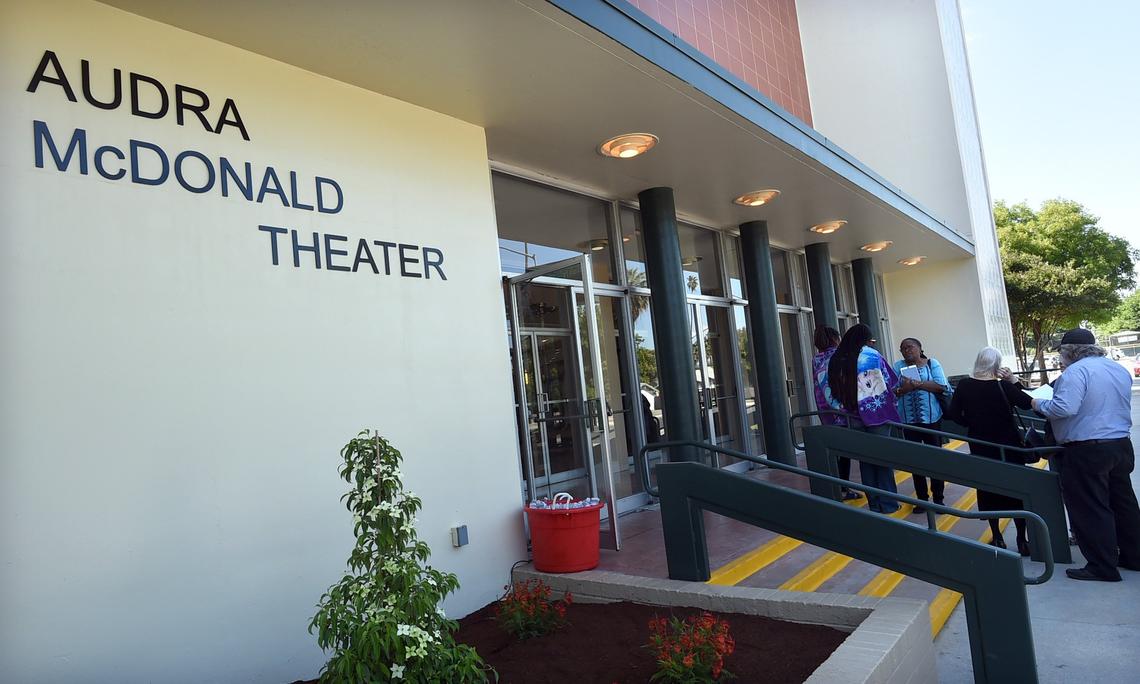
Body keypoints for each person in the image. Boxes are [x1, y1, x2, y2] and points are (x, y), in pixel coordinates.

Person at [1032, 328, 1140, 582]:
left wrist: (1039, 404)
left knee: (1091, 508)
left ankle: (1102, 566)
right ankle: (1134, 556)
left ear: (1071, 351)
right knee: (1123, 504)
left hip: (1087, 449)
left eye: (1061, 351)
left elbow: (1064, 407)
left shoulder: (1076, 372)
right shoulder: (1116, 369)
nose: (1060, 356)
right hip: (1120, 444)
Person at [944, 346, 1032, 555]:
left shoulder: (965, 385)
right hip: (1009, 445)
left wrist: (971, 423)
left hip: (981, 444)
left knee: (988, 487)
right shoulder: (1003, 386)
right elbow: (1027, 404)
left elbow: (953, 414)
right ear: (997, 364)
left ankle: (997, 536)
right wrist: (1014, 381)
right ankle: (1021, 538)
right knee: (1015, 488)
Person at [825, 323, 901, 513]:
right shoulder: (871, 355)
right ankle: (889, 503)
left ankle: (874, 503)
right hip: (877, 414)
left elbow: (831, 388)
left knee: (866, 460)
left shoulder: (836, 358)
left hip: (852, 416)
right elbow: (889, 381)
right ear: (866, 339)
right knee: (883, 459)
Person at [892, 337, 951, 513]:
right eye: (903, 348)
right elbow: (893, 390)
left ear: (919, 348)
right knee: (915, 460)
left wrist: (919, 384)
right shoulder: (897, 366)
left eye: (910, 347)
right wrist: (904, 389)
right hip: (909, 422)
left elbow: (942, 386)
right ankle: (922, 499)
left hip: (932, 420)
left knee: (935, 459)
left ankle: (938, 499)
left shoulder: (932, 363)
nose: (906, 351)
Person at [812, 325, 860, 501]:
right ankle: (844, 488)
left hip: (824, 408)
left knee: (833, 450)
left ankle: (836, 487)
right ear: (835, 338)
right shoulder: (838, 356)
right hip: (840, 408)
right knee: (844, 451)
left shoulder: (816, 358)